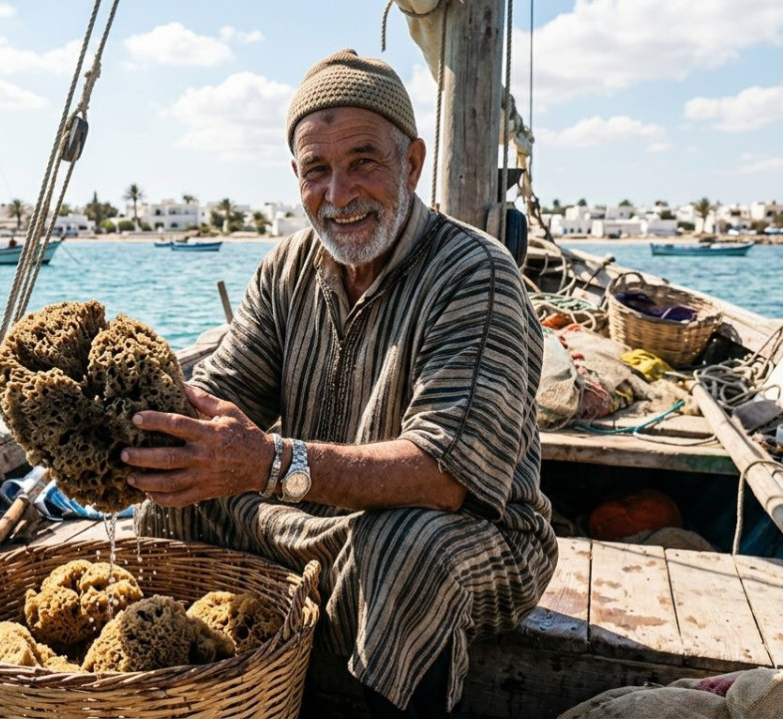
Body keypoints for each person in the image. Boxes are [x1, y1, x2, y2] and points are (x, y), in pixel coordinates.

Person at [120, 49, 556, 719]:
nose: (339, 194)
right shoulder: (286, 267)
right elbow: (220, 394)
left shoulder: (476, 274)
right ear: (296, 177)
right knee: (175, 498)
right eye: (316, 170)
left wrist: (268, 461)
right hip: (320, 519)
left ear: (410, 163)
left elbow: (443, 477)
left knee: (406, 548)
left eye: (363, 162)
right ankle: (201, 700)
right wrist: (131, 436)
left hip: (473, 538)